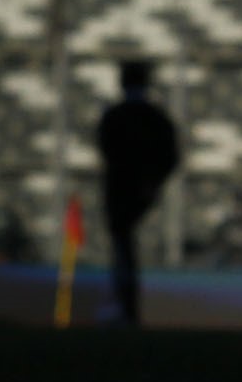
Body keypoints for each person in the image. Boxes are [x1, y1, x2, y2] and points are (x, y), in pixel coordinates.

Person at [95, 60, 178, 327]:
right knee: (124, 246)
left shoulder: (116, 116)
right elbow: (171, 156)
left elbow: (105, 149)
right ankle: (126, 306)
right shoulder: (156, 118)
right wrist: (153, 182)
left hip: (121, 191)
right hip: (141, 189)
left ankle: (127, 307)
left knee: (123, 246)